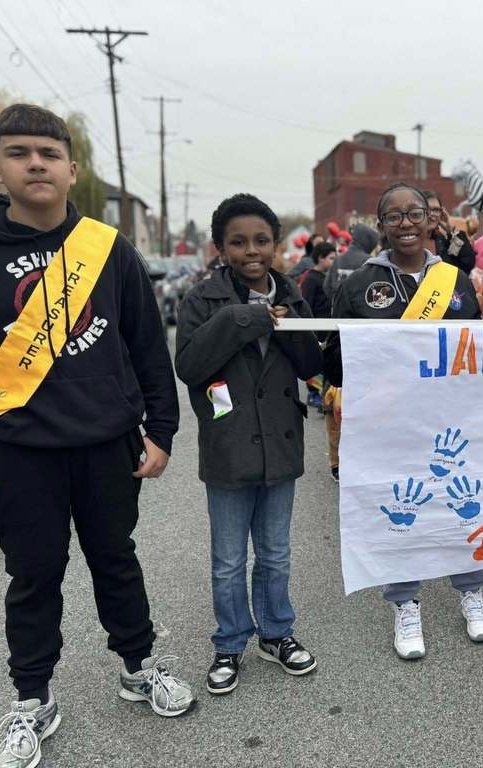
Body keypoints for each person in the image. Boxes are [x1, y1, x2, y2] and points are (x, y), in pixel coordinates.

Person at [0, 104, 194, 768]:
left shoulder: (107, 248)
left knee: (117, 560)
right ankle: (33, 700)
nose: (36, 164)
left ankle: (138, 665)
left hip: (107, 444)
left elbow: (147, 345)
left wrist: (162, 430)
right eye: (20, 153)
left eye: (49, 154)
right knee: (33, 576)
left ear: (71, 168)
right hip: (18, 450)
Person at [323, 183, 483, 659]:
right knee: (401, 508)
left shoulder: (457, 281)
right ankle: (405, 603)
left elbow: (478, 354)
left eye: (414, 213)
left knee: (463, 505)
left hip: (450, 423)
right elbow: (336, 364)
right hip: (389, 423)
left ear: (431, 220)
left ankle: (471, 592)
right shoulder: (357, 284)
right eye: (393, 216)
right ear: (381, 225)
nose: (405, 223)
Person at [175, 193, 323, 696]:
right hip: (229, 448)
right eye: (238, 242)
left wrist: (290, 323)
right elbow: (190, 367)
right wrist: (248, 317)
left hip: (280, 447)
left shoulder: (294, 294)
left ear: (276, 244)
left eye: (261, 240)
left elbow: (310, 364)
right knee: (228, 559)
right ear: (220, 247)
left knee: (277, 553)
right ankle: (230, 641)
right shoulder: (202, 299)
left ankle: (276, 633)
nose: (251, 251)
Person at [422, 190, 476, 274]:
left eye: (436, 210)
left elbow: (467, 264)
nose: (432, 214)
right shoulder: (406, 240)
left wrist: (451, 231)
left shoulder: (443, 242)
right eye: (428, 209)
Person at [324, 223, 378, 300]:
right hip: (361, 308)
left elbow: (327, 287)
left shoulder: (338, 259)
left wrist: (336, 301)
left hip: (339, 308)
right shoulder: (370, 261)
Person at [300, 240, 336, 326]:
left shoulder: (326, 277)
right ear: (320, 258)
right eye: (331, 258)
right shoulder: (311, 279)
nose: (334, 262)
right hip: (317, 327)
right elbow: (307, 306)